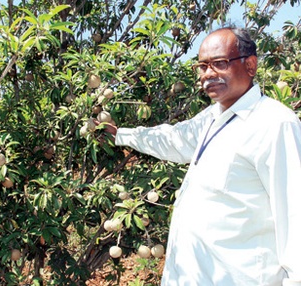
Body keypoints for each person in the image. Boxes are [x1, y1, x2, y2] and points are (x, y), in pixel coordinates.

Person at [106, 27, 301, 285]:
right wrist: (119, 135)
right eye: (202, 66)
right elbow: (173, 139)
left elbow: (294, 217)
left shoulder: (274, 124)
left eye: (219, 64)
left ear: (251, 65)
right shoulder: (212, 117)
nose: (208, 74)